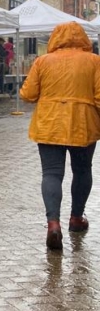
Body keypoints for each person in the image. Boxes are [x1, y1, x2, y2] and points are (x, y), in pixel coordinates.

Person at [20, 22, 100, 250]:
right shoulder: (94, 61)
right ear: (83, 38)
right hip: (83, 124)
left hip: (49, 124)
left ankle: (53, 224)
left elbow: (27, 94)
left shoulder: (43, 61)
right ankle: (76, 218)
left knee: (52, 174)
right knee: (83, 170)